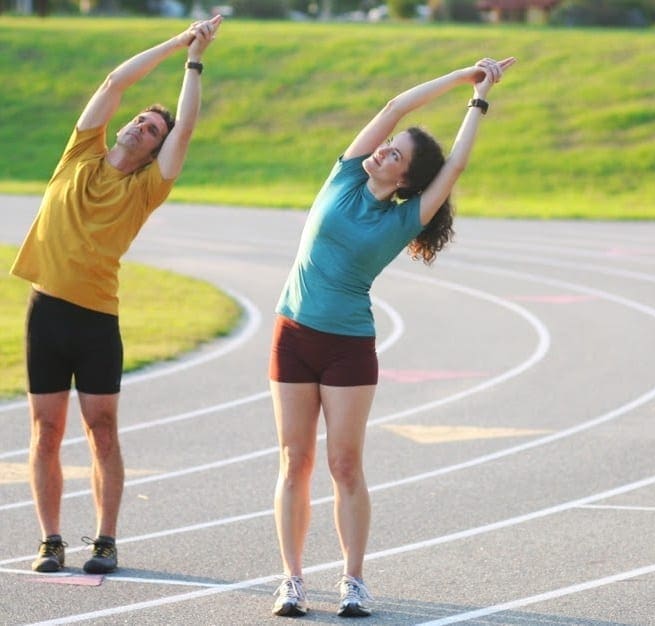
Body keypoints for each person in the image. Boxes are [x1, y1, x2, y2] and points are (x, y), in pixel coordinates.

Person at [268, 56, 517, 618]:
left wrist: (478, 105)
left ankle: (353, 581)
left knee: (345, 464)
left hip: (347, 347)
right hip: (292, 333)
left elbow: (452, 167)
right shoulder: (347, 171)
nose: (384, 150)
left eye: (396, 155)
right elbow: (395, 107)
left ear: (404, 179)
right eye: (388, 146)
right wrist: (463, 77)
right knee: (293, 459)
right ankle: (291, 579)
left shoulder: (402, 219)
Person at [9, 15, 223, 575]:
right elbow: (113, 84)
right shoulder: (79, 153)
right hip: (45, 313)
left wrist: (194, 63)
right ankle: (50, 539)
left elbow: (187, 129)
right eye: (139, 120)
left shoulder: (145, 189)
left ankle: (105, 540)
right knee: (45, 430)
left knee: (101, 430)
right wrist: (179, 40)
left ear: (156, 152)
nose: (138, 127)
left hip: (96, 320)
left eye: (152, 130)